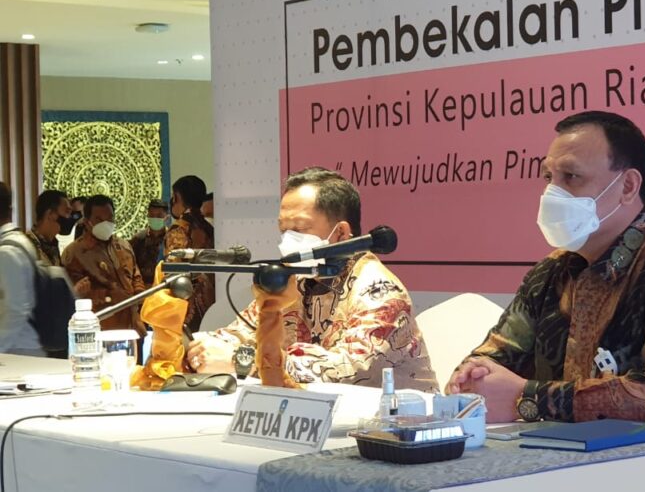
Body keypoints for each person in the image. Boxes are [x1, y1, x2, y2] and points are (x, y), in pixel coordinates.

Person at [446, 111, 645, 423]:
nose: (551, 193)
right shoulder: (551, 271)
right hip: (542, 450)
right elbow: (496, 356)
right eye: (548, 178)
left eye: (571, 177)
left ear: (627, 186)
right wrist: (472, 376)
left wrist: (528, 398)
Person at [186, 167, 438, 391]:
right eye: (283, 230)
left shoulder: (379, 289)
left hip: (396, 423)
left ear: (341, 233)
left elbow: (348, 369)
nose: (287, 240)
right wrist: (201, 348)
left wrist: (242, 361)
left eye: (299, 229)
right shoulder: (296, 279)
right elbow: (240, 332)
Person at [62, 195, 147, 335]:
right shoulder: (74, 253)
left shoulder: (124, 246)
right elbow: (74, 293)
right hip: (100, 327)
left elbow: (135, 275)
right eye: (99, 219)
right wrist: (109, 296)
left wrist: (139, 294)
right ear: (87, 221)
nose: (106, 223)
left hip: (132, 325)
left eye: (109, 218)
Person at [165, 176, 215, 333]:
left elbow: (174, 270)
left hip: (188, 301)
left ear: (177, 197)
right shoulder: (208, 227)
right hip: (212, 296)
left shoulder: (179, 228)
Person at [0, 182, 43, 355]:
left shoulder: (7, 252)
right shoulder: (17, 241)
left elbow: (16, 310)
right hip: (18, 346)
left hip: (19, 348)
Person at [26, 190, 73, 266]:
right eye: (67, 212)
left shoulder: (52, 245)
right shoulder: (27, 247)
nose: (69, 218)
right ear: (50, 214)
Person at [130, 199, 170, 287]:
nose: (155, 218)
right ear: (147, 215)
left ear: (167, 217)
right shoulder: (138, 239)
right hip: (142, 288)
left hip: (165, 288)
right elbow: (131, 265)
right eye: (152, 215)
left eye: (159, 216)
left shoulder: (172, 239)